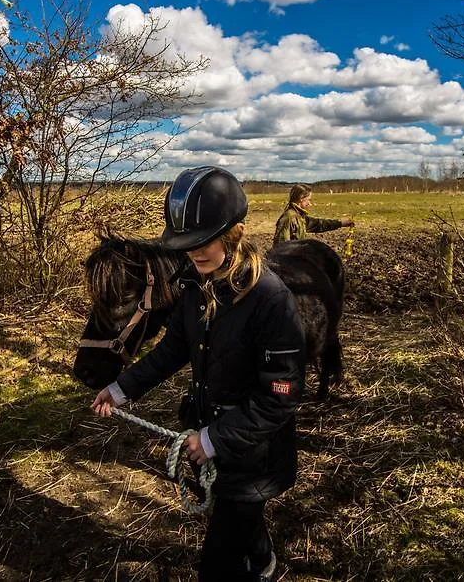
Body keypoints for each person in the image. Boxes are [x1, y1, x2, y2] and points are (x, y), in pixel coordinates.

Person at [92, 165, 306, 581]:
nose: (193, 252)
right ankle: (262, 561)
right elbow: (174, 349)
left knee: (217, 562)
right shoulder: (194, 285)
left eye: (202, 242)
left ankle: (252, 566)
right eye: (185, 243)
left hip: (253, 453)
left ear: (235, 232)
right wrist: (121, 389)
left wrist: (214, 439)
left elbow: (280, 395)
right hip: (212, 437)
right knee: (241, 517)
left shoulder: (271, 300)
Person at [273, 183, 353, 246]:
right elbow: (281, 247)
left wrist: (340, 223)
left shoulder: (300, 217)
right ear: (301, 198)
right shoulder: (289, 218)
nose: (310, 203)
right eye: (308, 200)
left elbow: (319, 224)